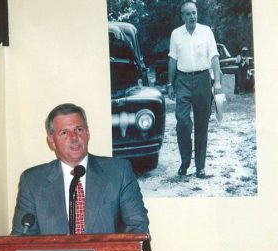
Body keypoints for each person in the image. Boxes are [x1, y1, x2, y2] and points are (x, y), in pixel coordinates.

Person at [11, 103, 149, 235]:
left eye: (79, 129)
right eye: (64, 132)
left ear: (87, 133)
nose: (74, 137)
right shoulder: (32, 182)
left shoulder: (119, 172)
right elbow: (22, 238)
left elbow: (138, 227)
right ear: (52, 141)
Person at [167, 0, 222, 178]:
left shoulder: (206, 31)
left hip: (203, 80)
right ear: (182, 16)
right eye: (188, 13)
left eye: (194, 12)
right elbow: (172, 60)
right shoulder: (176, 34)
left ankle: (200, 167)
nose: (192, 16)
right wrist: (170, 83)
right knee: (183, 122)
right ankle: (185, 162)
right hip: (182, 80)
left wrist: (218, 82)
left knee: (201, 124)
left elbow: (214, 57)